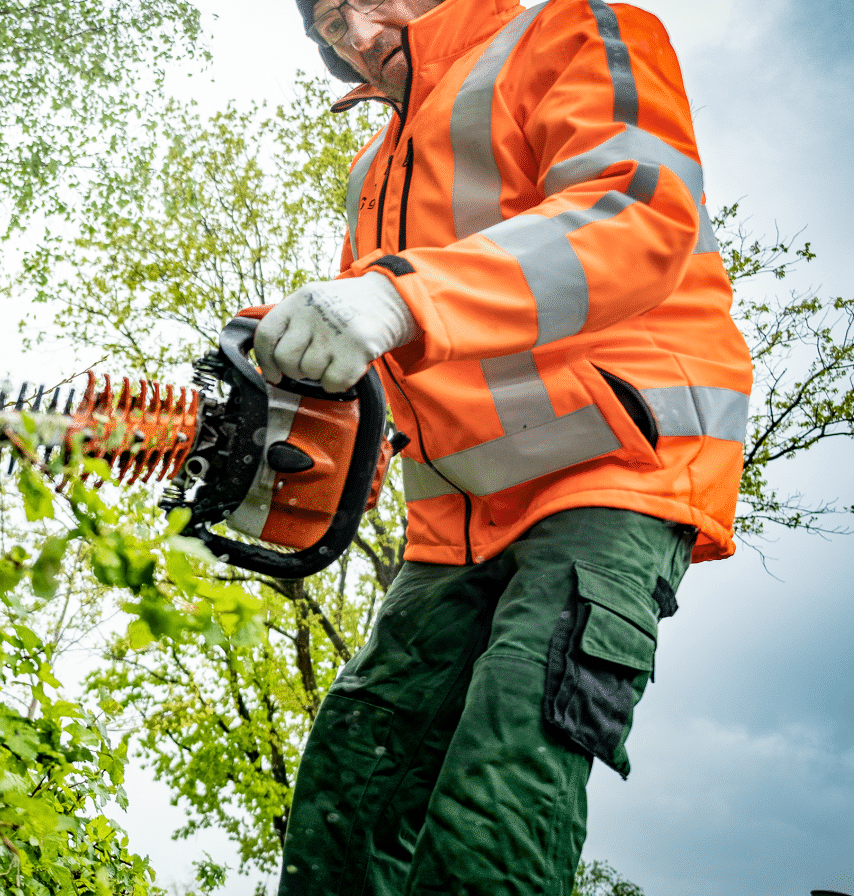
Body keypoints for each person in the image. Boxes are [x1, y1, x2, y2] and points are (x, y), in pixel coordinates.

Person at [250, 0, 753, 892]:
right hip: (455, 525)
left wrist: (397, 297)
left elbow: (638, 208)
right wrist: (283, 351)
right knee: (348, 795)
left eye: (364, 3)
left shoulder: (573, 31)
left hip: (614, 473)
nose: (356, 37)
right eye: (329, 27)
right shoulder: (376, 168)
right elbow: (380, 347)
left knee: (498, 792)